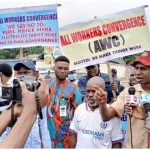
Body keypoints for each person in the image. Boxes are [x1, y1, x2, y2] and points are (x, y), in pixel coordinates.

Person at [98, 51, 150, 148]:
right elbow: (106, 117)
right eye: (137, 68)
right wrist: (102, 103)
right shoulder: (129, 91)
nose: (137, 72)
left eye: (143, 69)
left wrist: (146, 117)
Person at [0, 60, 51, 148]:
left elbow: (43, 126)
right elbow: (5, 127)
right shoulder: (8, 92)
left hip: (34, 145)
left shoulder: (40, 96)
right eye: (19, 73)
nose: (22, 75)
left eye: (26, 72)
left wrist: (46, 147)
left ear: (35, 74)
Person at [70, 76, 124, 148]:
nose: (90, 95)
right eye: (88, 91)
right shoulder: (79, 109)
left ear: (103, 91)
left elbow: (116, 143)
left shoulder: (111, 113)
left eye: (94, 91)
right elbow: (74, 134)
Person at [47, 56, 82, 148]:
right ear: (54, 68)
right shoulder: (46, 85)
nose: (63, 71)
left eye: (65, 69)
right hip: (46, 136)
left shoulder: (74, 89)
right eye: (59, 68)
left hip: (65, 138)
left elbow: (79, 115)